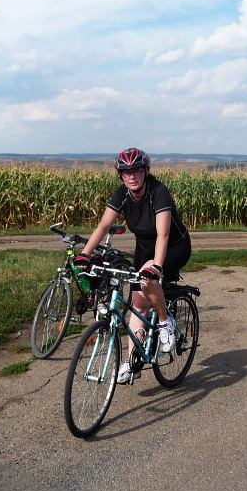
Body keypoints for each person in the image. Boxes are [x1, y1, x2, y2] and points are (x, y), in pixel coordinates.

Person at [75, 148, 191, 384]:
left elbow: (163, 234)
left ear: (146, 171)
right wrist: (85, 255)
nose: (132, 176)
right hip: (144, 247)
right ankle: (132, 361)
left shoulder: (159, 192)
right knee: (137, 303)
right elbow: (103, 226)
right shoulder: (122, 194)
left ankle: (164, 321)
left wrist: (156, 267)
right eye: (126, 172)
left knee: (147, 280)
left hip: (174, 247)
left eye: (137, 170)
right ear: (120, 175)